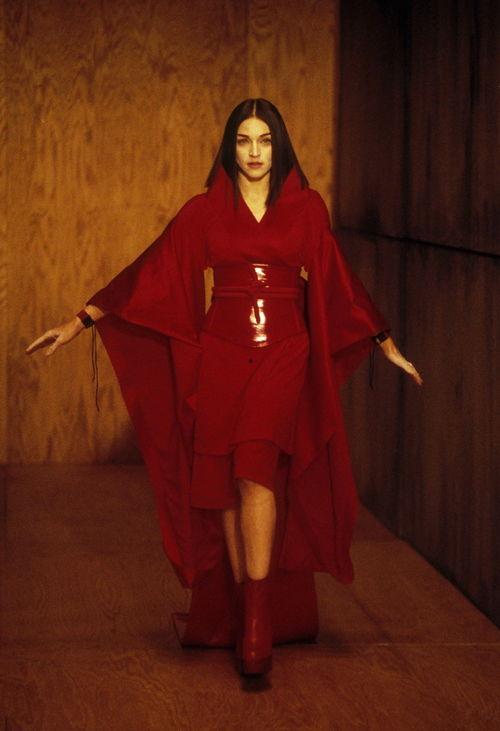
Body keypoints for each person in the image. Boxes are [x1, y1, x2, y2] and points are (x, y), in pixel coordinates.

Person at [26, 98, 423, 678]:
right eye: (244, 140)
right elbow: (153, 270)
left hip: (285, 351)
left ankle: (257, 624)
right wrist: (79, 321)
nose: (255, 152)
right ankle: (244, 610)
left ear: (279, 146)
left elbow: (336, 277)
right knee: (228, 485)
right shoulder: (204, 211)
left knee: (255, 469)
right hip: (222, 353)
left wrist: (383, 341)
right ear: (230, 147)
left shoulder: (306, 207)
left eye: (265, 140)